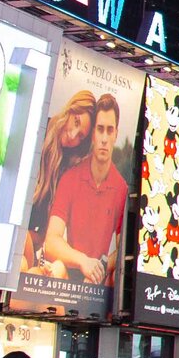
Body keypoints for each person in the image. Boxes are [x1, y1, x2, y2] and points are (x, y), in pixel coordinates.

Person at [36, 93, 129, 284]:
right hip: (67, 271)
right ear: (93, 134)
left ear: (116, 134)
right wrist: (83, 262)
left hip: (99, 283)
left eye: (109, 130)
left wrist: (100, 268)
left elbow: (123, 250)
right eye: (100, 129)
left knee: (114, 279)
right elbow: (52, 240)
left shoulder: (121, 188)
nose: (104, 138)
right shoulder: (70, 178)